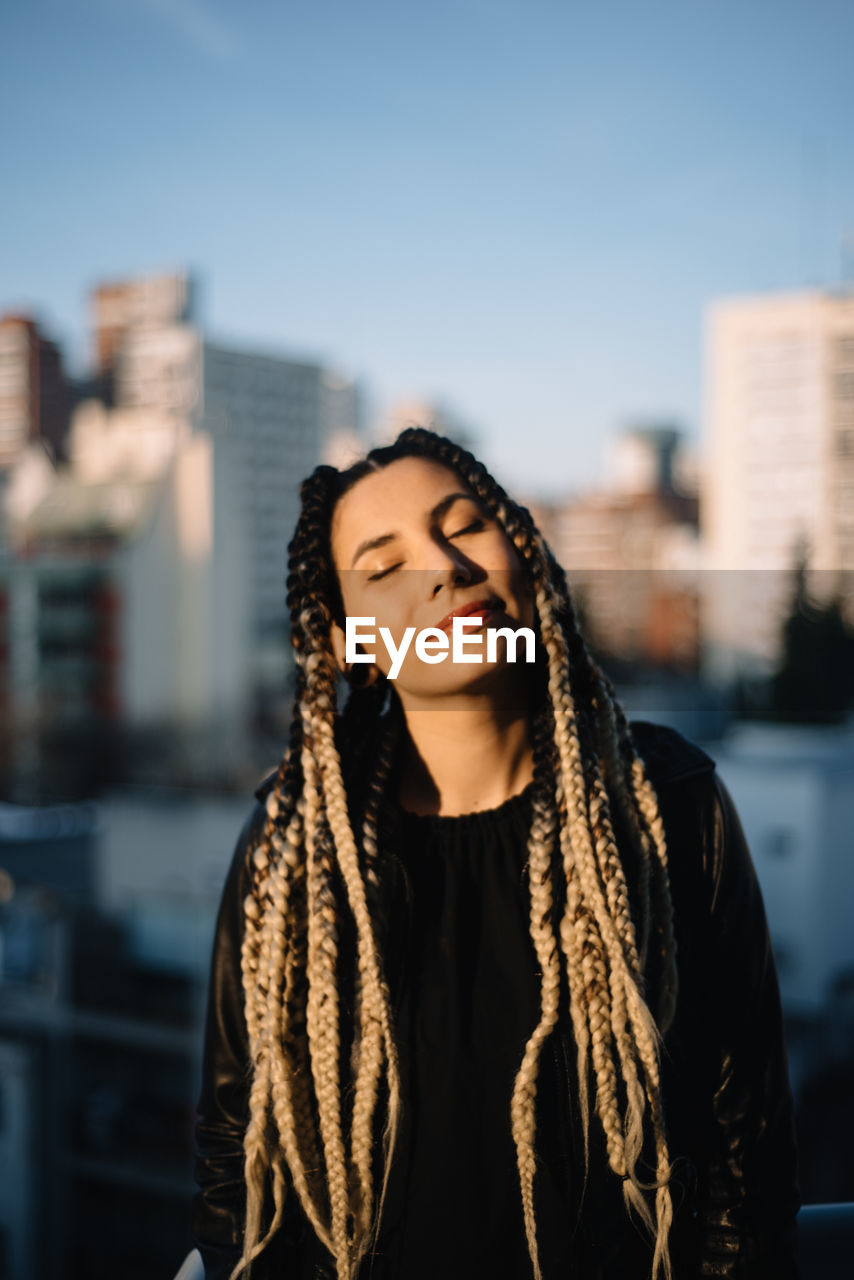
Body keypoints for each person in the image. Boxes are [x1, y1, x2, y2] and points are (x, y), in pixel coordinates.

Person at [191, 428, 801, 1280]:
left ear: (525, 550)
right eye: (383, 565)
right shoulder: (293, 850)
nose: (441, 566)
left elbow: (747, 1152)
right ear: (347, 643)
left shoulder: (668, 802)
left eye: (464, 525)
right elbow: (235, 1158)